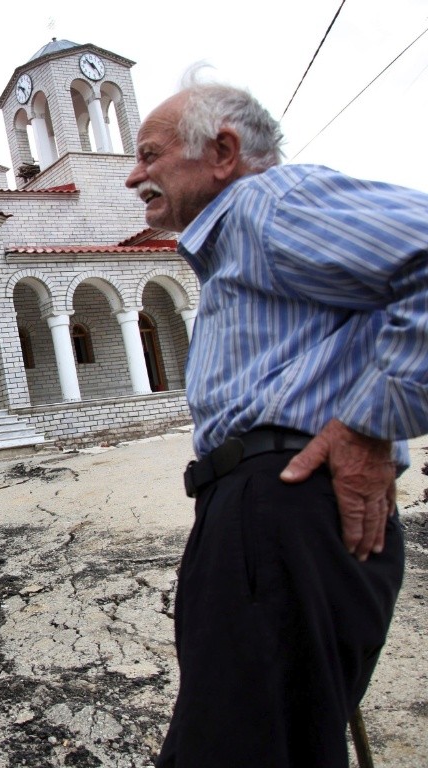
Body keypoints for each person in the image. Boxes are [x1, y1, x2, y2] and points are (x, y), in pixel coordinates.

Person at [125, 69, 428, 767]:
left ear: (223, 152)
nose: (133, 176)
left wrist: (368, 425)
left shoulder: (268, 204)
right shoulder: (243, 239)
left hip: (284, 508)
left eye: (150, 154)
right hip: (260, 514)